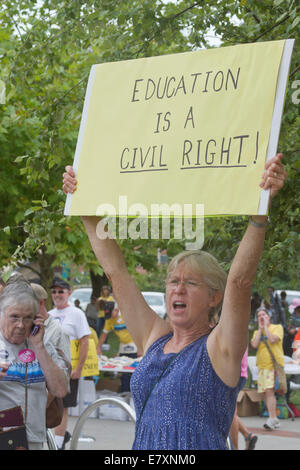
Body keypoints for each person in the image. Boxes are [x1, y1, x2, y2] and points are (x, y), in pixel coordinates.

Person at [63, 153, 286, 449]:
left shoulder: (221, 347)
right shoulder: (155, 337)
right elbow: (116, 273)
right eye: (173, 281)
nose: (177, 289)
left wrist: (260, 211)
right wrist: (83, 206)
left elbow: (240, 282)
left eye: (190, 283)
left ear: (214, 297)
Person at [0, 276, 68, 449]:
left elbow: (60, 389)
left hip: (33, 437)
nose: (21, 325)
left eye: (27, 318)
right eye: (14, 317)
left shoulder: (43, 345)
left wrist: (39, 347)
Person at [48, 277, 90, 450]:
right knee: (49, 404)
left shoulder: (77, 314)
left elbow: (85, 340)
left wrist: (79, 368)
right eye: (54, 291)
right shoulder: (49, 315)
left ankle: (58, 444)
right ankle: (57, 437)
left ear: (69, 293)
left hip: (68, 368)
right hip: (50, 368)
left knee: (63, 406)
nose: (57, 295)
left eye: (61, 291)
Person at [251, 307, 284, 430]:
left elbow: (272, 339)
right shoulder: (257, 332)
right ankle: (274, 418)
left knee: (270, 391)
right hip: (262, 366)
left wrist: (265, 327)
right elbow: (254, 344)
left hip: (273, 366)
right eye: (259, 315)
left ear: (269, 316)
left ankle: (272, 418)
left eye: (264, 314)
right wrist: (260, 329)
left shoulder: (277, 328)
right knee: (265, 392)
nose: (261, 317)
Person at [96, 305, 138, 392]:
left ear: (115, 309)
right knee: (124, 370)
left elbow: (140, 330)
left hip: (134, 344)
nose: (110, 317)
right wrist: (98, 347)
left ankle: (133, 392)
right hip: (123, 345)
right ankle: (125, 392)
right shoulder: (109, 320)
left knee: (134, 371)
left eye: (111, 314)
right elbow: (104, 335)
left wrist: (141, 348)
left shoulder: (126, 314)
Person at [229, 348, 258, 450]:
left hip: (231, 373)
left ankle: (234, 448)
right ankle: (248, 435)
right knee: (229, 412)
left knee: (230, 413)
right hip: (239, 372)